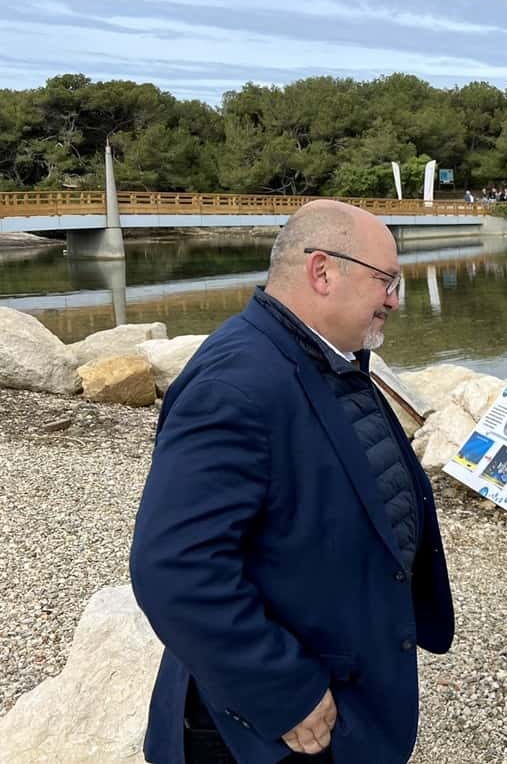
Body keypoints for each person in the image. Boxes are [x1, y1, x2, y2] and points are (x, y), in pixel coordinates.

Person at [130, 200, 454, 764]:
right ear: (322, 271)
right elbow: (175, 568)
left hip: (341, 685)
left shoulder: (324, 358)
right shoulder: (239, 382)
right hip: (266, 734)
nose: (395, 300)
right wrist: (287, 694)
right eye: (387, 281)